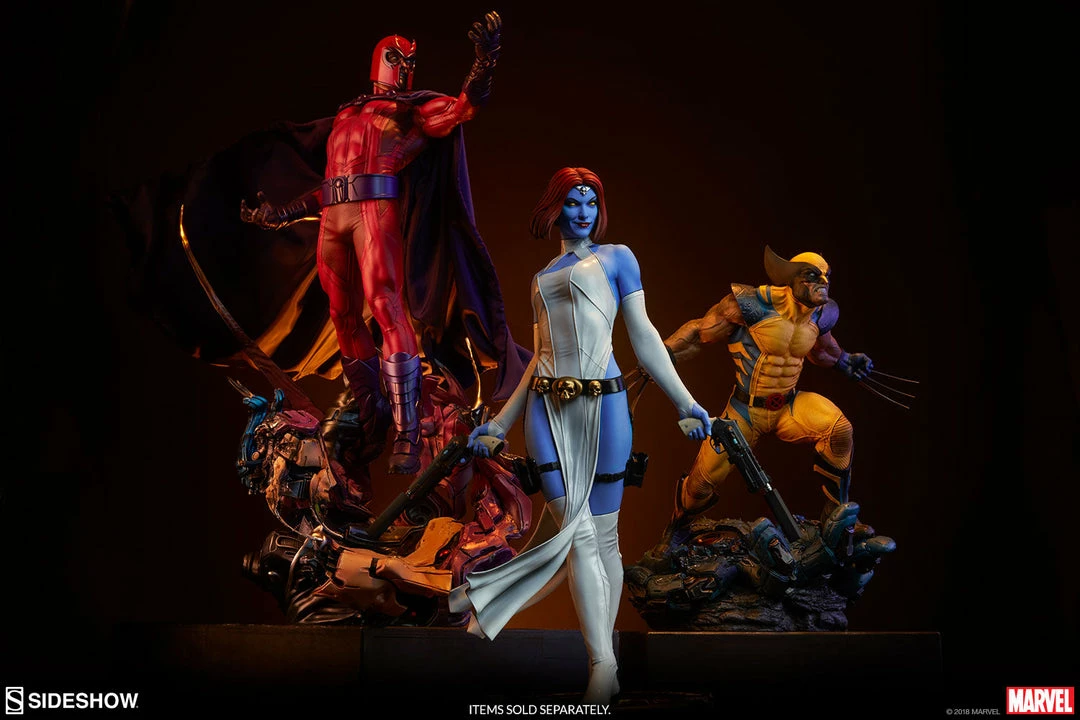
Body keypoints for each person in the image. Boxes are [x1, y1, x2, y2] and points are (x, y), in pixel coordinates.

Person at [450, 167, 712, 704]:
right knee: (579, 532)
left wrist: (685, 401)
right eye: (572, 202)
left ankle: (601, 660)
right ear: (554, 208)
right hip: (546, 410)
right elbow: (538, 360)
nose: (583, 212)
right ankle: (603, 665)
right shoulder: (541, 277)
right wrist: (500, 423)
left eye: (591, 201)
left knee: (603, 536)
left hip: (605, 403)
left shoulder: (617, 258)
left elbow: (643, 336)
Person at [240, 12, 518, 476]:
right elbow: (330, 183)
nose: (404, 68)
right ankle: (374, 421)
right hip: (334, 218)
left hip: (375, 212)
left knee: (387, 306)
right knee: (342, 316)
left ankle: (408, 431)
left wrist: (484, 61)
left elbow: (461, 109)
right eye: (396, 58)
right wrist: (282, 213)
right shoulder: (346, 114)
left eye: (411, 61)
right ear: (378, 59)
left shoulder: (410, 110)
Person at [659, 246, 874, 541]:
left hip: (787, 406)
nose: (823, 281)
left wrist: (846, 361)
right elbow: (698, 333)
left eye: (827, 275)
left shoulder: (820, 315)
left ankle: (837, 517)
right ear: (791, 278)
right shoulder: (753, 305)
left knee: (839, 429)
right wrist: (658, 357)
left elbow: (824, 351)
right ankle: (676, 529)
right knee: (700, 485)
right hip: (745, 412)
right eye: (813, 275)